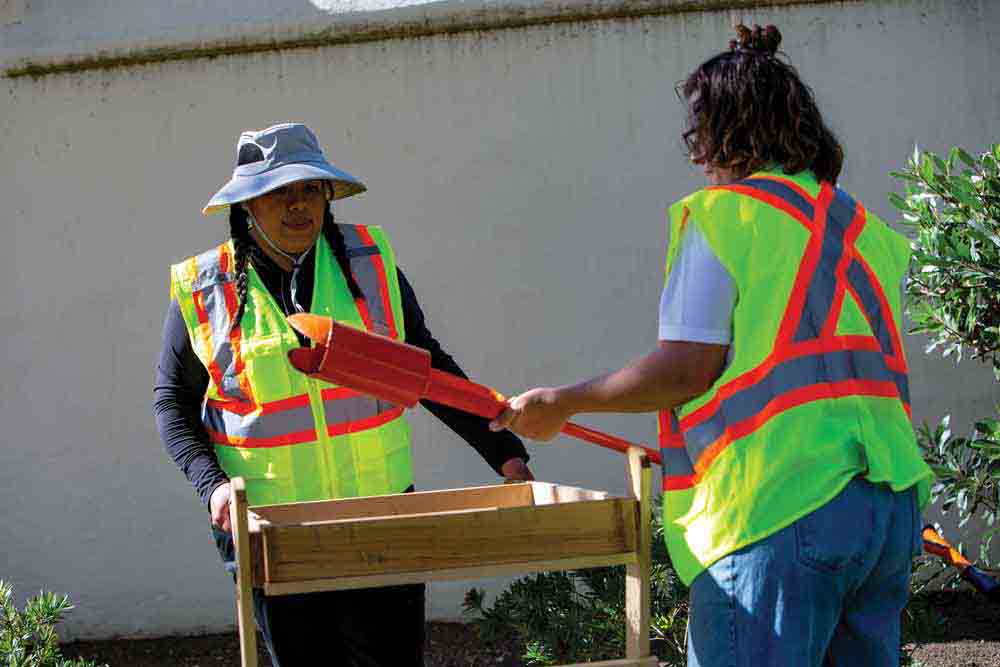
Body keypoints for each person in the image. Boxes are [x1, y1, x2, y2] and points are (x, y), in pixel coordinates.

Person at [490, 25, 933, 667]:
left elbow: (685, 369)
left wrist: (564, 401)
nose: (695, 151)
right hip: (884, 508)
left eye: (699, 130)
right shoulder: (862, 228)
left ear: (727, 131)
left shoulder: (726, 216)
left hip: (779, 507)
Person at [153, 122, 534, 666]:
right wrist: (211, 487)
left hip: (381, 520)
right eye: (278, 193)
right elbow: (172, 403)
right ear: (246, 207)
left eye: (309, 188)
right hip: (272, 530)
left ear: (328, 195)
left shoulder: (368, 264)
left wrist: (503, 448)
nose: (297, 205)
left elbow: (425, 368)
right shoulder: (204, 287)